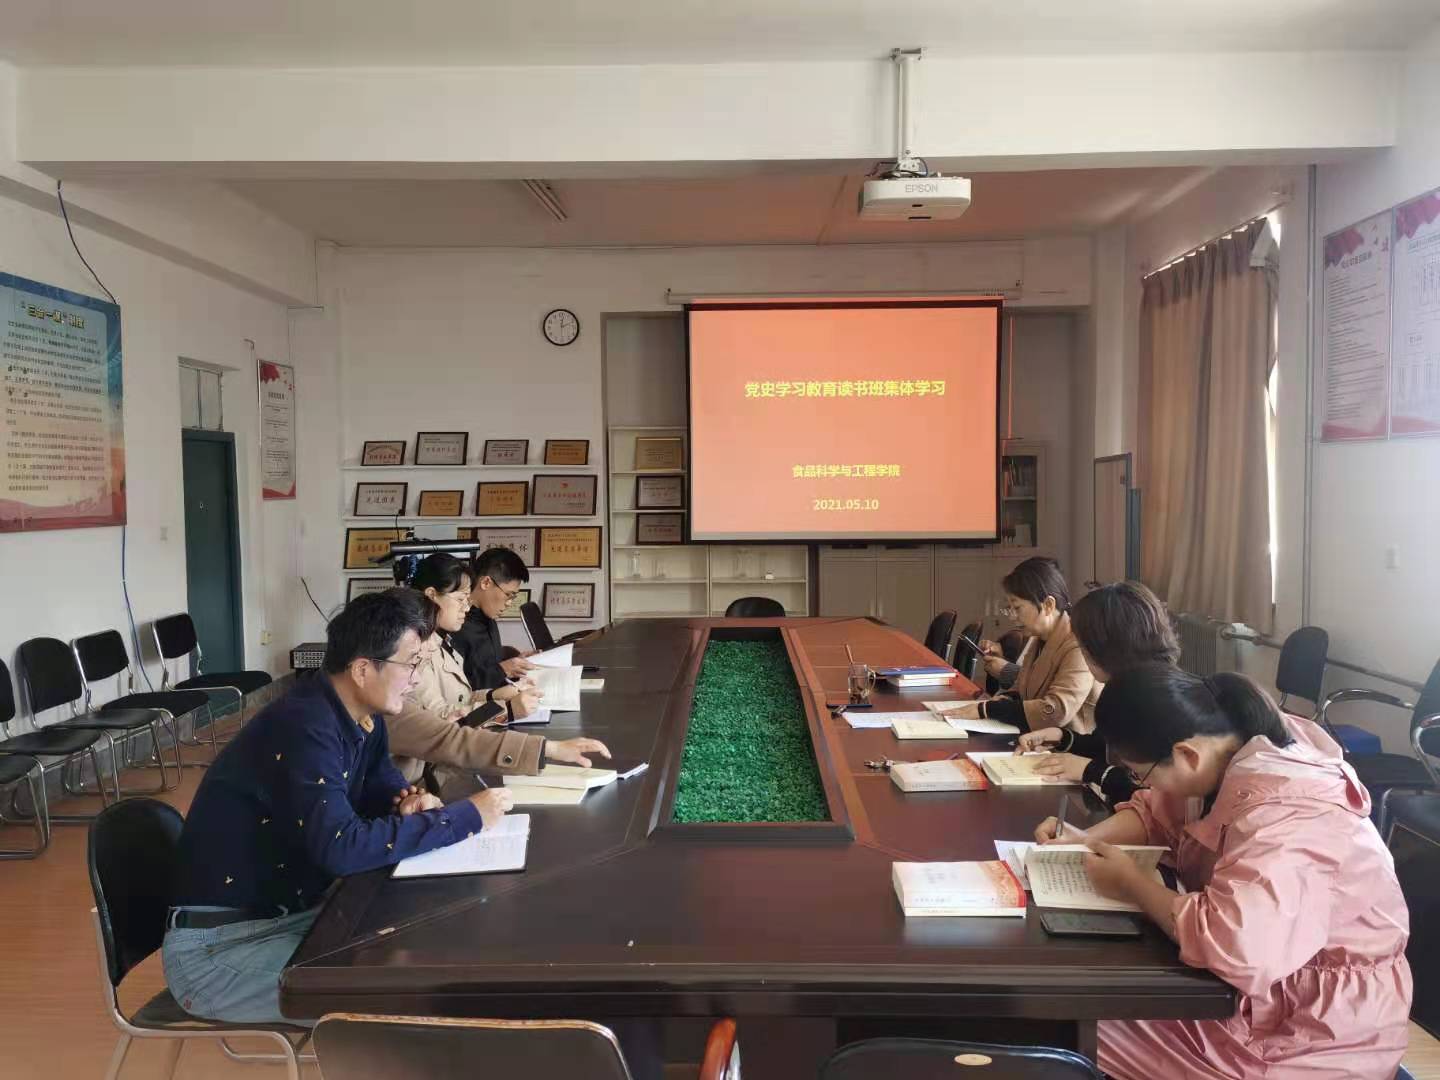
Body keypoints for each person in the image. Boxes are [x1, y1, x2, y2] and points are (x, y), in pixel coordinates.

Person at [1038, 665, 1412, 1080]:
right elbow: (1158, 812)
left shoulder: (1288, 817)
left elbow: (1238, 947)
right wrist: (1085, 839)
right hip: (1266, 992)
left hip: (1312, 1030)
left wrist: (1132, 884)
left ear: (1187, 755)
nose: (1144, 785)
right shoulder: (1230, 748)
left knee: (1074, 1030)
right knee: (1075, 1015)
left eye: (1139, 773)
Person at [162, 589, 515, 1025]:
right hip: (220, 950)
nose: (416, 678)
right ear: (363, 669)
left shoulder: (362, 717)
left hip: (293, 916)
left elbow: (382, 785)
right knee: (412, 996)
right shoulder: (305, 725)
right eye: (411, 664)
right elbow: (341, 847)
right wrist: (462, 818)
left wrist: (410, 800)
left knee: (430, 943)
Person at [390, 553, 609, 800]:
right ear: (431, 596)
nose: (466, 607)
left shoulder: (442, 641)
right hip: (430, 780)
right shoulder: (416, 653)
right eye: (461, 599)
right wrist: (507, 709)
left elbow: (462, 697)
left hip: (450, 765)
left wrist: (495, 695)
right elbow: (443, 729)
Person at [1015, 581, 1181, 805]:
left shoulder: (1162, 704)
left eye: (1083, 647)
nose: (1082, 654)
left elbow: (1154, 801)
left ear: (1104, 648)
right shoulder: (1128, 689)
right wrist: (1061, 738)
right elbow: (1107, 746)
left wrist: (1090, 770)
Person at [941, 557, 1098, 733]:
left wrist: (987, 709)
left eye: (1017, 608)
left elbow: (1056, 710)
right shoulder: (1038, 638)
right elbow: (1021, 688)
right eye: (1010, 608)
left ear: (1048, 604)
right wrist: (1004, 700)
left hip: (1067, 745)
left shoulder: (1078, 646)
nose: (1012, 617)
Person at [452, 546, 536, 694]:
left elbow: (486, 665)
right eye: (508, 595)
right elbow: (456, 689)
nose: (509, 603)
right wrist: (502, 670)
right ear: (486, 583)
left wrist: (516, 664)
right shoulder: (455, 624)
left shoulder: (487, 616)